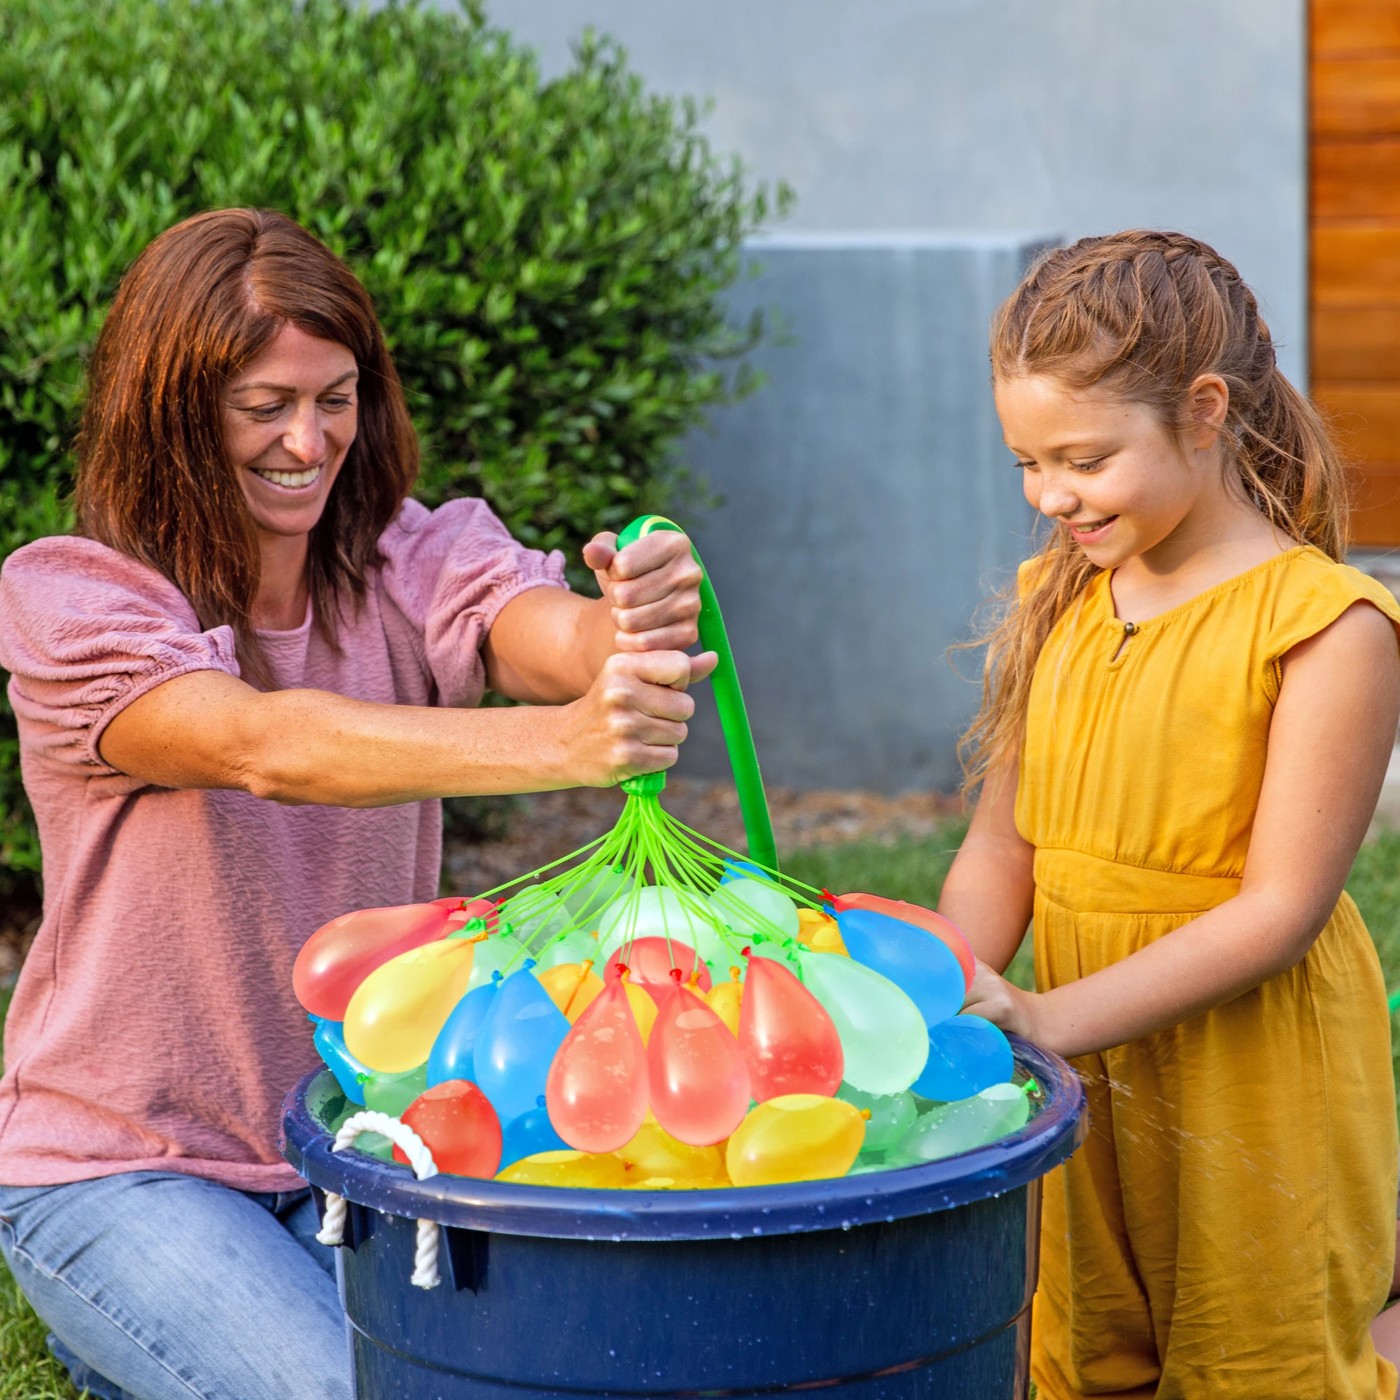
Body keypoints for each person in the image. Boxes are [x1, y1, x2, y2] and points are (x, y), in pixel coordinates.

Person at [0, 207, 714, 1400]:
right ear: (173, 410)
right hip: (124, 1166)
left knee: (564, 1367)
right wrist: (568, 743)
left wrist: (618, 626)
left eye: (335, 398)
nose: (308, 438)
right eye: (262, 403)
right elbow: (264, 745)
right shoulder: (74, 600)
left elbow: (532, 629)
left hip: (358, 1142)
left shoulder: (401, 554)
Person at [939, 229, 1400, 1399]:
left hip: (1247, 1067)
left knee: (1263, 1353)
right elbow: (1003, 845)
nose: (1049, 496)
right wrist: (936, 984)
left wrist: (1043, 1011)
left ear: (1201, 409)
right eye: (1023, 465)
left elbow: (1278, 912)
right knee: (1083, 1340)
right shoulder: (1062, 599)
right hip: (1083, 1062)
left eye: (1083, 459)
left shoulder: (1325, 625)